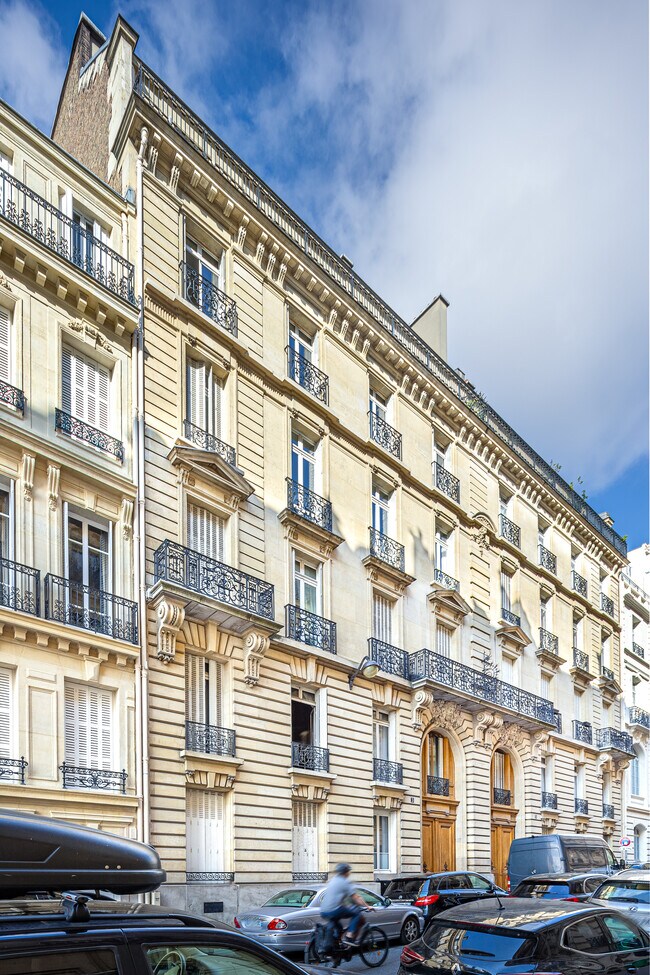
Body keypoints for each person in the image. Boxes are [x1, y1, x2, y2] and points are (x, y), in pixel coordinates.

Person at [320, 863, 370, 945]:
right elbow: (356, 897)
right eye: (349, 871)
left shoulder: (333, 880)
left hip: (323, 911)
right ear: (346, 872)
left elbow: (336, 897)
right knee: (356, 913)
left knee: (339, 928)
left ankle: (336, 946)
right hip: (333, 910)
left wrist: (346, 905)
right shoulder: (345, 882)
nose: (349, 873)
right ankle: (349, 936)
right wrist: (367, 906)